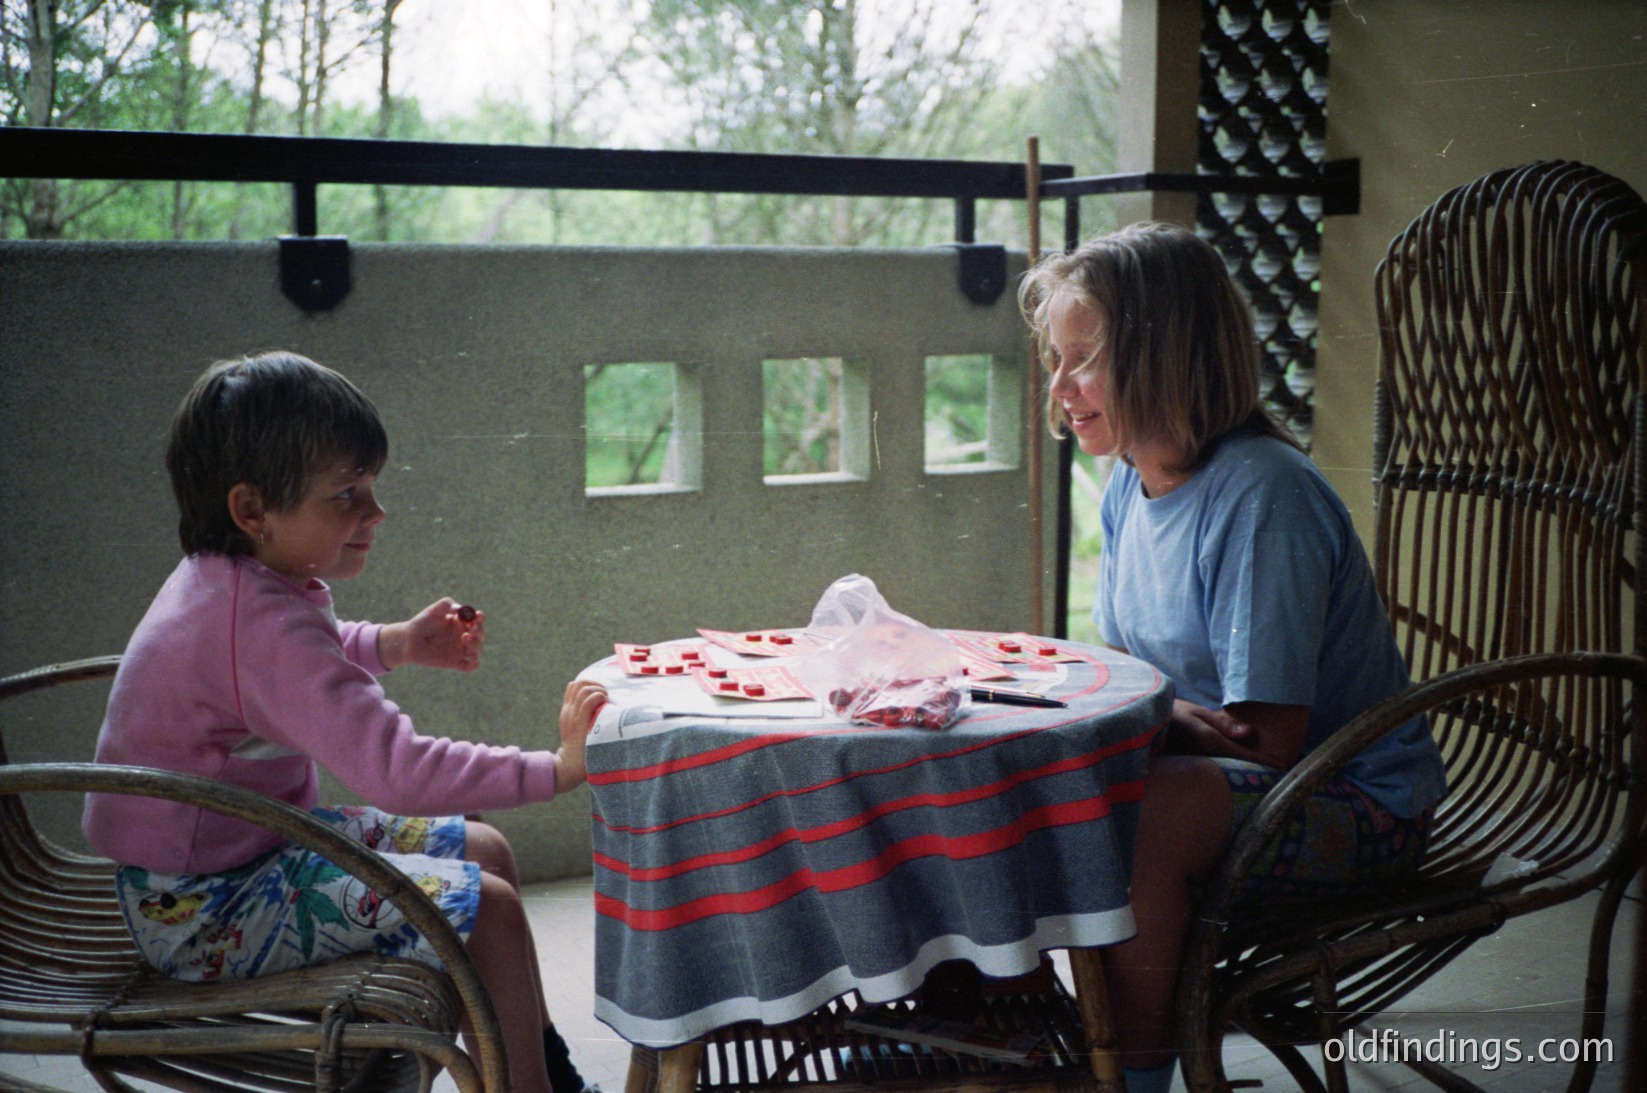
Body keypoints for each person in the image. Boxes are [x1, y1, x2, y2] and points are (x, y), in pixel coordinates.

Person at [82, 350, 610, 1093]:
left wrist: (393, 643)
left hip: (248, 845)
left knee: (484, 848)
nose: (374, 512)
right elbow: (398, 768)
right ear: (252, 509)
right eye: (348, 493)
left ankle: (533, 1063)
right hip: (204, 905)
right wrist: (556, 769)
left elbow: (294, 659)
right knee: (485, 907)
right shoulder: (259, 624)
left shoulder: (238, 579)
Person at [1018, 223, 1447, 1093]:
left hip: (1350, 805)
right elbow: (1134, 676)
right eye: (1053, 361)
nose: (1059, 387)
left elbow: (1271, 744)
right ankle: (1005, 1038)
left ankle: (1128, 1080)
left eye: (1082, 360)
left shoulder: (1261, 495)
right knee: (997, 764)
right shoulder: (1129, 483)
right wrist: (1143, 711)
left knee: (1155, 809)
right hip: (1233, 782)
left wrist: (1150, 717)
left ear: (1163, 354)